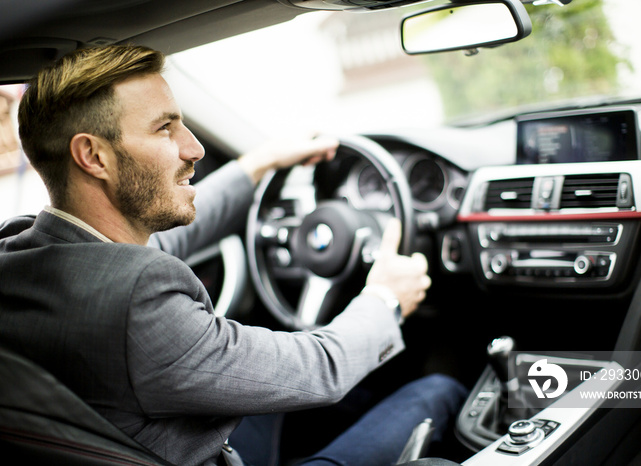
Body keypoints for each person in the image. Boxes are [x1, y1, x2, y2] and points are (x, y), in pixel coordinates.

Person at [0, 45, 467, 466]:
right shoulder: (138, 300)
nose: (196, 148)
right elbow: (322, 368)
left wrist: (258, 164)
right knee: (440, 391)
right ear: (94, 157)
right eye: (166, 129)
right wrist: (385, 298)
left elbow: (155, 248)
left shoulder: (19, 252)